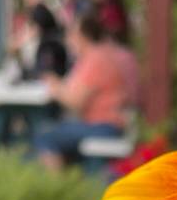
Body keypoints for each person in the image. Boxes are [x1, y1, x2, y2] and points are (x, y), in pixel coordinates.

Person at [36, 12, 139, 170]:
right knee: (56, 131)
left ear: (83, 36)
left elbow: (76, 103)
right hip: (106, 123)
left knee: (46, 138)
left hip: (104, 126)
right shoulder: (98, 55)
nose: (68, 39)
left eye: (72, 34)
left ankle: (57, 190)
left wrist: (56, 88)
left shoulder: (94, 59)